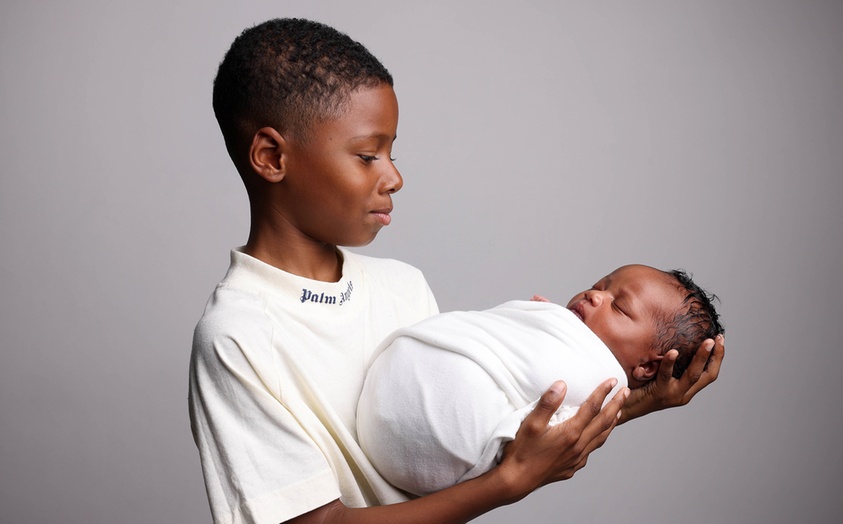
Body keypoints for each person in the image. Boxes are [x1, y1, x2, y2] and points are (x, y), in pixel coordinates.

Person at [188, 17, 725, 524]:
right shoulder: (238, 334)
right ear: (271, 157)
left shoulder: (401, 284)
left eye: (393, 152)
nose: (394, 177)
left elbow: (460, 451)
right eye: (367, 155)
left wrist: (631, 404)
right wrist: (508, 485)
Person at [358, 264, 723, 495]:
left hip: (433, 448)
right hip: (394, 402)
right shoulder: (554, 325)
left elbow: (550, 425)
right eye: (601, 285)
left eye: (619, 306)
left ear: (646, 368)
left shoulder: (597, 382)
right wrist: (535, 322)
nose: (595, 295)